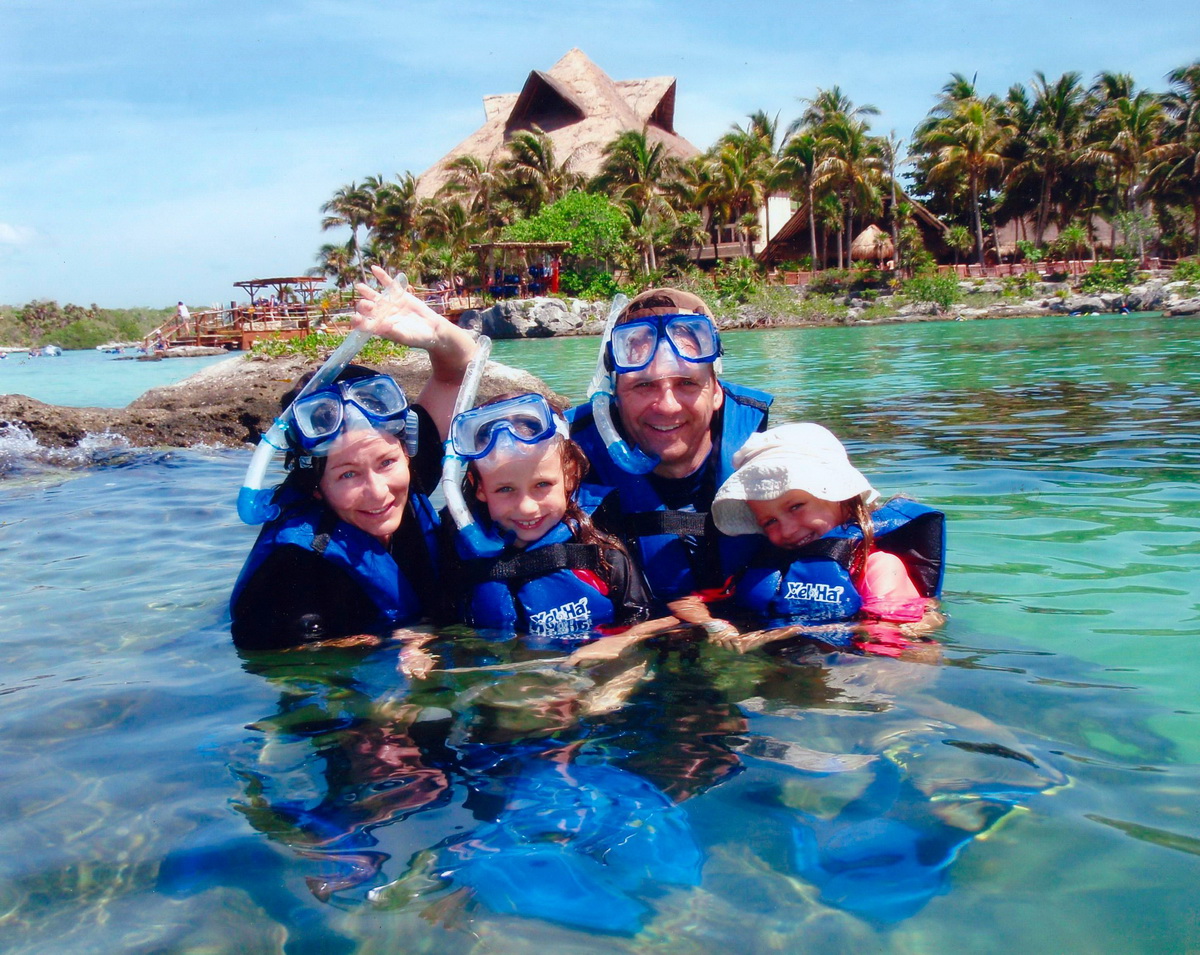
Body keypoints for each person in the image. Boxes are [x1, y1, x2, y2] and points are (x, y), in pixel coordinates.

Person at [230, 267, 478, 651]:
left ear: (407, 451)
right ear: (315, 486)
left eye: (386, 464)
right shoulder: (292, 578)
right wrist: (398, 645)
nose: (378, 492)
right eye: (347, 476)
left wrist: (437, 335)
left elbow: (458, 369)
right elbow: (289, 665)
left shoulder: (407, 471)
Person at [567, 288, 773, 609]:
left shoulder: (773, 459)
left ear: (716, 391)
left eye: (686, 383)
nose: (667, 406)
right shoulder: (566, 464)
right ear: (614, 394)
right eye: (644, 385)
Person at [705, 422, 945, 648]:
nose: (787, 530)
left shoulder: (877, 567)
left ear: (843, 497)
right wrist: (714, 626)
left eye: (796, 506)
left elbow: (890, 637)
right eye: (770, 521)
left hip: (868, 674)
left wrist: (791, 631)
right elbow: (706, 602)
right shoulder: (762, 566)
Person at [441, 392, 651, 643]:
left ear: (570, 475)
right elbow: (439, 628)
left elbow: (642, 623)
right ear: (480, 487)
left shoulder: (604, 556)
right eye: (505, 489)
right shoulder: (459, 559)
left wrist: (614, 651)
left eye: (542, 484)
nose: (527, 507)